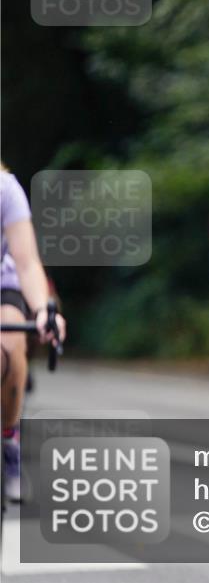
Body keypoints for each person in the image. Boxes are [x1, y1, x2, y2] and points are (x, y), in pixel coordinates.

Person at [1, 165, 68, 501]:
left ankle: (9, 437)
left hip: (3, 286)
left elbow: (27, 264)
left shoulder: (5, 189)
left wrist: (43, 310)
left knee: (10, 341)